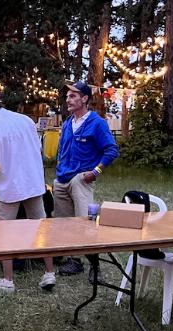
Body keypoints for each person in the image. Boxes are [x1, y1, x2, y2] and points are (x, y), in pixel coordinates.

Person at [0, 88, 56, 293]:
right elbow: (37, 150)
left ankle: (8, 280)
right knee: (42, 227)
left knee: (4, 232)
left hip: (10, 185)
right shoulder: (25, 120)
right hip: (33, 182)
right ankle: (49, 272)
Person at [54, 81, 120, 279]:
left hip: (81, 178)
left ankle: (95, 266)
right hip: (62, 178)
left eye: (73, 96)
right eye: (67, 96)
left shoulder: (97, 123)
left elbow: (111, 150)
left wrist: (96, 171)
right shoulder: (67, 123)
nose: (68, 99)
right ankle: (75, 261)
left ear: (84, 99)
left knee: (86, 222)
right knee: (65, 223)